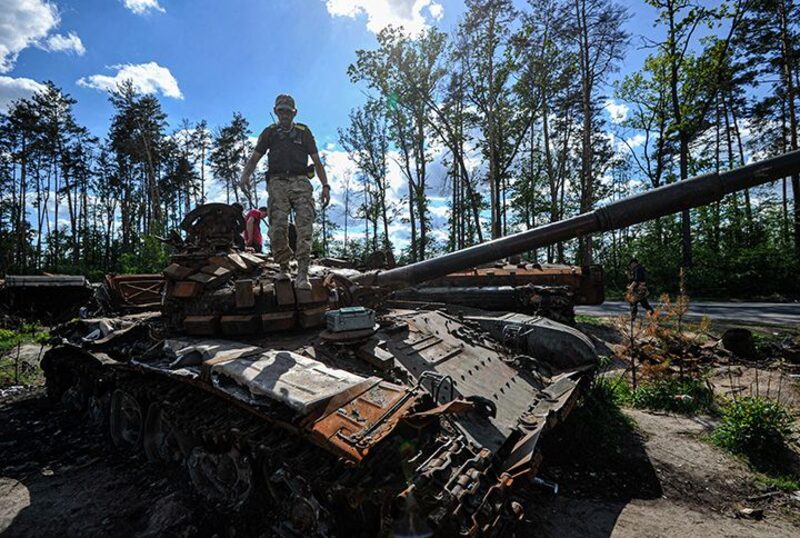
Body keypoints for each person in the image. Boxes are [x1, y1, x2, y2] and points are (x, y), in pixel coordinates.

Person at [239, 94, 330, 290]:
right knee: (277, 228)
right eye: (281, 111)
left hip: (301, 182)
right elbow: (254, 158)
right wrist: (244, 176)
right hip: (277, 183)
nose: (285, 115)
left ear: (294, 113)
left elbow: (316, 161)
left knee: (304, 227)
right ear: (276, 111)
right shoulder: (270, 133)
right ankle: (284, 266)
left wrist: (325, 186)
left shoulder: (303, 132)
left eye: (288, 111)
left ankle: (303, 273)